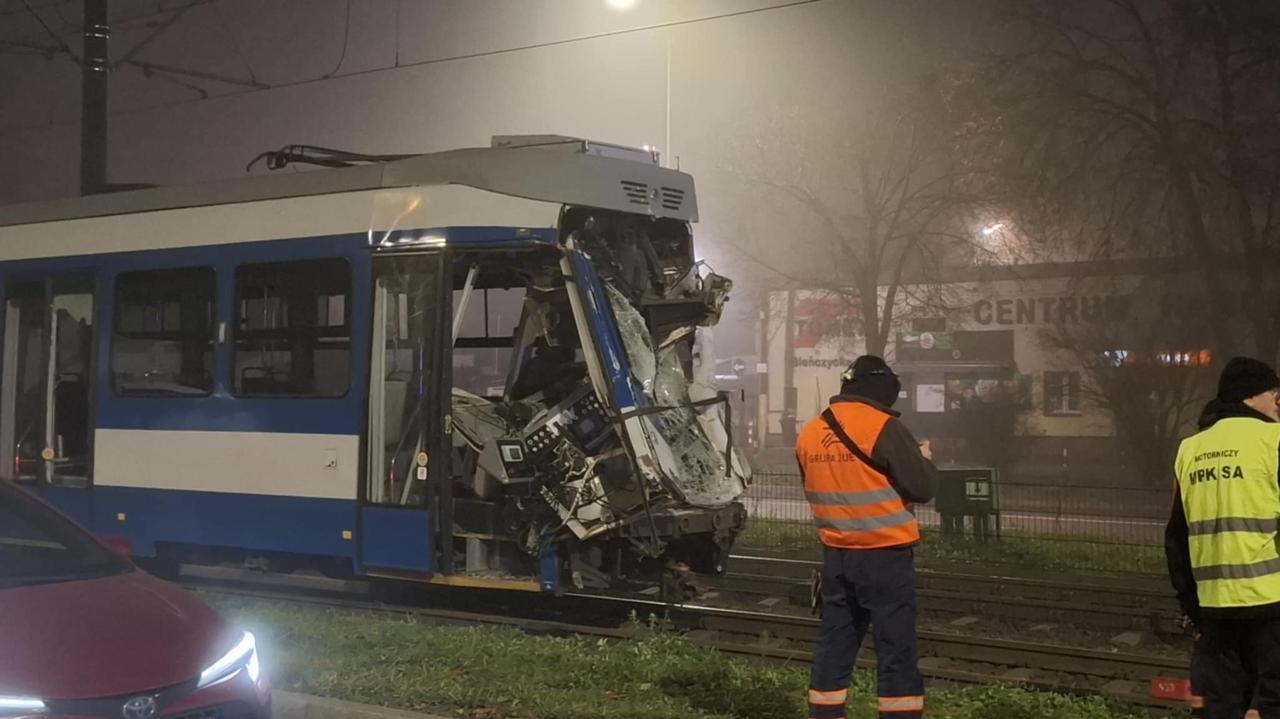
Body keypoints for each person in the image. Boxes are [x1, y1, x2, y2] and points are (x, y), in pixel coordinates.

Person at [797, 356, 939, 719]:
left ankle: (825, 714)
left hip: (836, 554)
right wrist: (924, 459)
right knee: (895, 646)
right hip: (885, 555)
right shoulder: (883, 427)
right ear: (881, 389)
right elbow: (921, 488)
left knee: (836, 642)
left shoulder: (810, 431)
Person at [1166, 357, 1280, 719]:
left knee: (1222, 707)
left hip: (1214, 612)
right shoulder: (1273, 440)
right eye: (1275, 395)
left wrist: (1193, 609)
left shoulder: (1189, 450)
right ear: (1250, 397)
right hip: (1272, 609)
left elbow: (1177, 539)